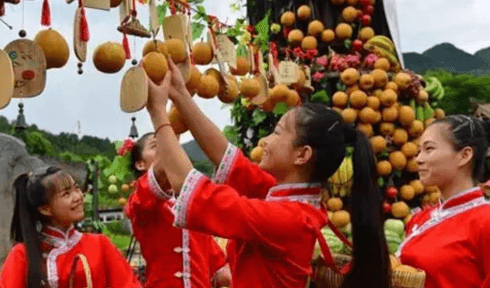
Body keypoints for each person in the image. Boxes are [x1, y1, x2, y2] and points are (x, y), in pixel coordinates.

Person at [142, 58, 390, 288]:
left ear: (301, 155)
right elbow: (228, 159)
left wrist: (158, 113)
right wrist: (180, 94)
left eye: (278, 132)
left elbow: (198, 194)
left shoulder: (288, 219)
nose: (266, 141)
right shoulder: (285, 195)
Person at [0, 166, 142, 288]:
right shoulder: (22, 255)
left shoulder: (99, 245)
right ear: (45, 208)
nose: (78, 197)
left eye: (77, 189)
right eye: (66, 194)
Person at [125, 132, 231, 288]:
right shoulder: (140, 202)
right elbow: (149, 192)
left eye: (168, 146)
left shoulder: (193, 205)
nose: (165, 150)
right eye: (156, 146)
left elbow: (219, 269)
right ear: (140, 164)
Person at [397, 115, 490, 288]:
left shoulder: (485, 221)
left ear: (464, 155)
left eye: (429, 149)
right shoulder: (421, 218)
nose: (419, 159)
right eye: (419, 151)